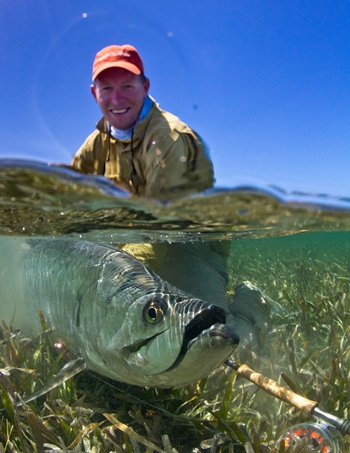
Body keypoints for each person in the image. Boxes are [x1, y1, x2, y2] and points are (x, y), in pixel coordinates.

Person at [71, 44, 271, 352]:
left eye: (127, 86)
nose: (116, 98)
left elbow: (161, 226)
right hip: (134, 242)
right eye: (106, 88)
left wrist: (114, 283)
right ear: (93, 92)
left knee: (213, 350)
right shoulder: (97, 142)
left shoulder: (170, 136)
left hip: (190, 243)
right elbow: (66, 192)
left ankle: (252, 301)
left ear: (145, 87)